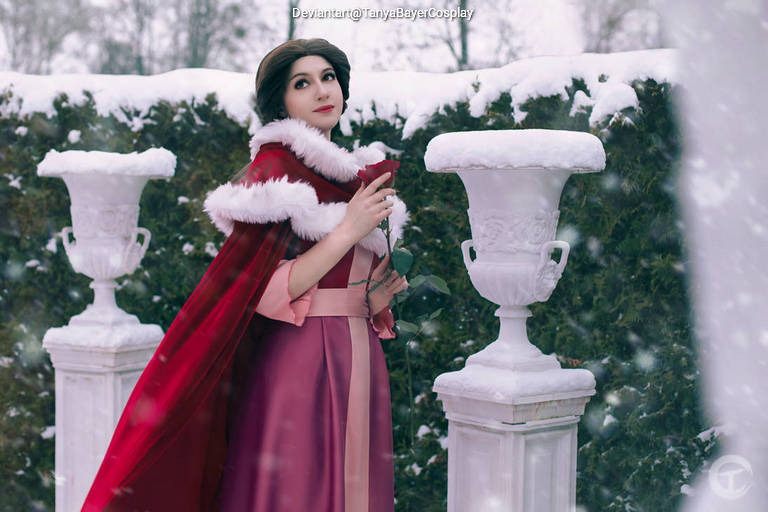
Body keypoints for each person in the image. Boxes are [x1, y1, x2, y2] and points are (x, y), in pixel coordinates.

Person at [80, 38, 409, 512]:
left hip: (360, 355)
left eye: (328, 77)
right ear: (281, 102)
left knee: (358, 484)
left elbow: (345, 280)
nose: (321, 90)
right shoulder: (277, 174)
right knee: (301, 489)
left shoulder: (354, 177)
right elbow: (266, 289)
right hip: (300, 360)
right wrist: (347, 229)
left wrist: (374, 298)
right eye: (303, 83)